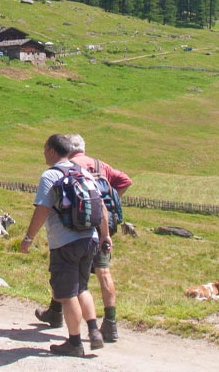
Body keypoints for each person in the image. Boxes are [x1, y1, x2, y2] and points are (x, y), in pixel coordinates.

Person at [17, 133, 109, 357]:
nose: (43, 154)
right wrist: (105, 235)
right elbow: (101, 206)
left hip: (65, 242)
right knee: (82, 288)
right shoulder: (83, 173)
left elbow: (42, 209)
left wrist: (28, 238)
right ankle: (94, 331)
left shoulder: (50, 175)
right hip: (90, 238)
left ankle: (74, 343)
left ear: (51, 151)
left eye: (44, 149)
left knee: (68, 294)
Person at [34, 134, 132, 342]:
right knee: (101, 274)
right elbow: (125, 181)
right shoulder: (100, 165)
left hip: (73, 229)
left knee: (68, 280)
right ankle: (110, 324)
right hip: (100, 227)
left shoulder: (70, 167)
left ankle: (63, 323)